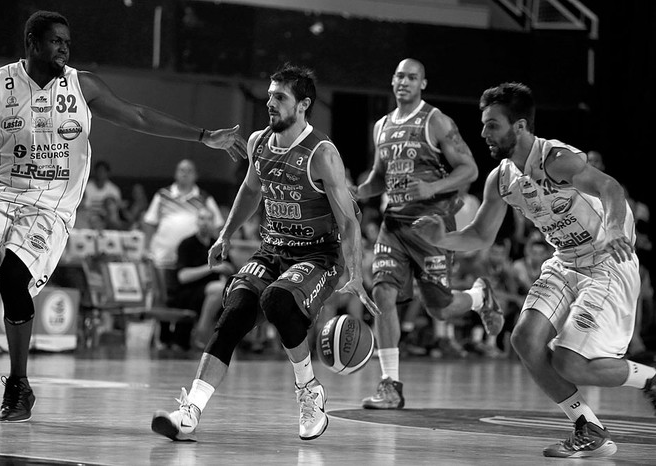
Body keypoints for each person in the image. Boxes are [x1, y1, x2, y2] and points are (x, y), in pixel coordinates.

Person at [0, 10, 247, 422]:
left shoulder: (81, 85)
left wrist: (204, 136)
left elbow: (140, 116)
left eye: (67, 42)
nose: (64, 49)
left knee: (13, 278)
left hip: (51, 205)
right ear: (32, 42)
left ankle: (19, 384)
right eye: (56, 40)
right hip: (0, 193)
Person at [413, 81, 656, 458]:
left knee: (571, 362)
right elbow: (479, 234)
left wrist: (611, 228)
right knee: (524, 340)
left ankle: (652, 378)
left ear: (520, 127)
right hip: (565, 260)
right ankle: (588, 427)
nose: (483, 133)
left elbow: (610, 189)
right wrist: (440, 237)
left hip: (607, 261)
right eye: (483, 124)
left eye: (492, 124)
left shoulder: (556, 159)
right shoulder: (502, 179)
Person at [151, 63, 379, 442]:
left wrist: (354, 272)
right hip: (272, 250)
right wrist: (225, 234)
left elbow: (350, 220)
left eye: (280, 97)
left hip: (318, 256)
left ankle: (309, 392)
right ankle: (190, 411)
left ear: (303, 105)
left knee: (277, 300)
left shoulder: (322, 153)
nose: (270, 102)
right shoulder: (258, 142)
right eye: (270, 95)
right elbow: (251, 191)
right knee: (236, 309)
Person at [354, 58, 503, 409]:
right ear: (392, 82)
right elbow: (379, 177)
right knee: (383, 294)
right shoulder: (381, 127)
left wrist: (432, 187)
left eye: (412, 77)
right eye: (399, 76)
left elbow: (469, 169)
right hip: (394, 226)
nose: (404, 81)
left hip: (431, 225)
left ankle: (480, 296)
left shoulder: (436, 121)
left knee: (441, 308)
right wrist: (355, 192)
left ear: (423, 83)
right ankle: (390, 384)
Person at [142, 158, 223, 283]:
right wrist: (146, 249)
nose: (185, 173)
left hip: (191, 259)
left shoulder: (204, 197)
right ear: (175, 173)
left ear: (195, 175)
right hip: (163, 256)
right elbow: (150, 222)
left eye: (189, 171)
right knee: (163, 298)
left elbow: (217, 225)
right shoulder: (162, 195)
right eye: (181, 170)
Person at [168, 207, 235, 351]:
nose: (205, 223)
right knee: (218, 289)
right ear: (197, 222)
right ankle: (202, 336)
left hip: (213, 292)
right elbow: (183, 277)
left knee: (227, 290)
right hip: (188, 293)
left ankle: (212, 338)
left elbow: (231, 268)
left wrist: (226, 270)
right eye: (201, 218)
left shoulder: (218, 244)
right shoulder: (187, 244)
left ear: (214, 223)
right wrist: (212, 267)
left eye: (208, 219)